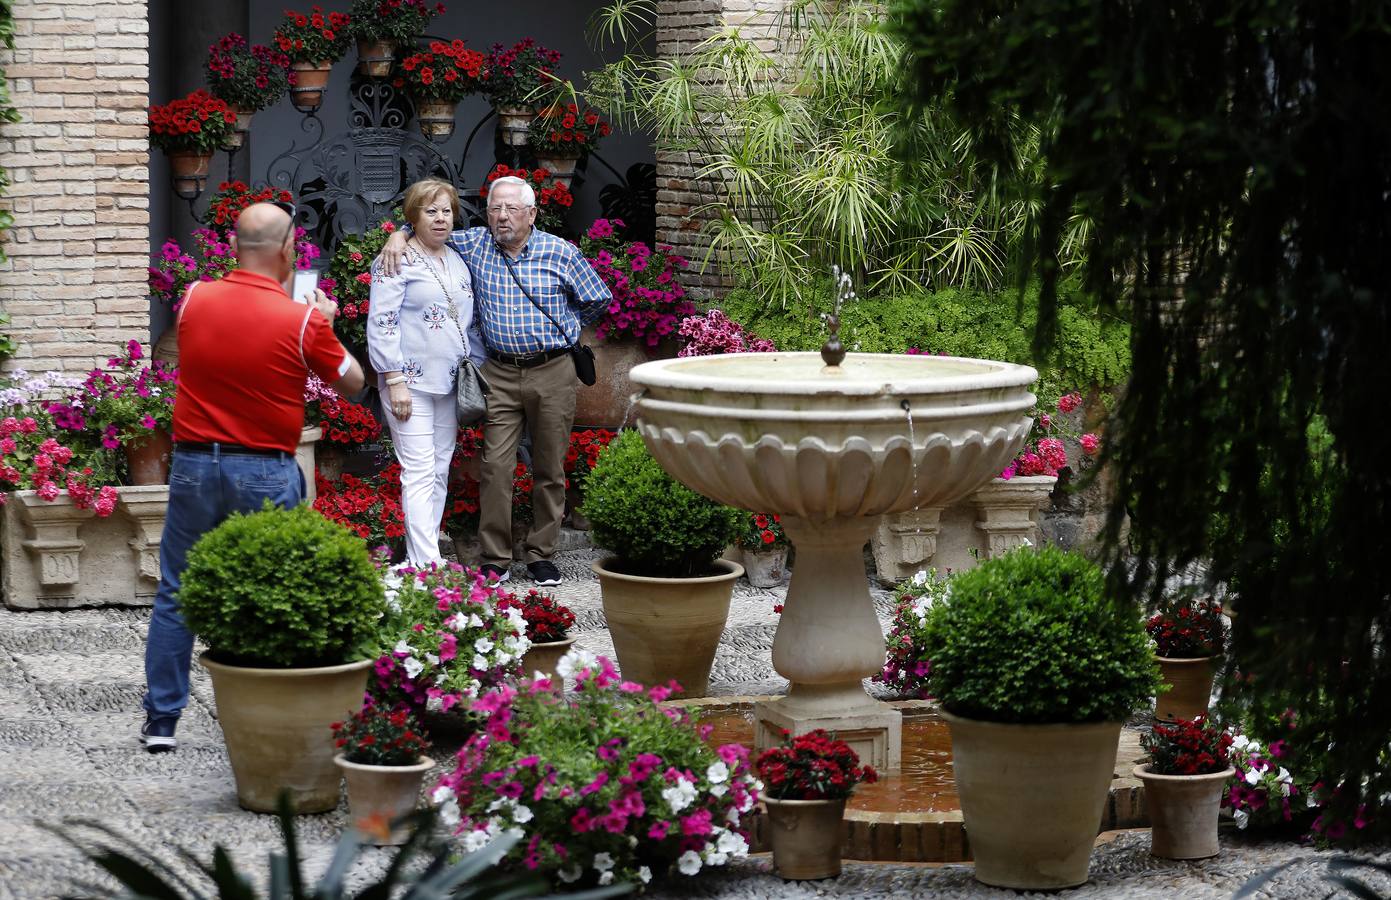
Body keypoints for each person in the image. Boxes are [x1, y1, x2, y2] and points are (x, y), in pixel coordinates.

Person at [140, 202, 364, 753]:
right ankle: (270, 717)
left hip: (193, 464)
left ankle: (161, 724)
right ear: (289, 250)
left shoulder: (193, 298)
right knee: (274, 586)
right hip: (263, 468)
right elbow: (354, 383)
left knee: (175, 590)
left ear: (237, 247)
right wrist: (326, 324)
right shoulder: (304, 319)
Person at [380, 175, 610, 586]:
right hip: (498, 372)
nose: (501, 217)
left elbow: (598, 298)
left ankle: (542, 554)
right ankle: (495, 558)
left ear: (532, 213)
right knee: (495, 466)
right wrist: (397, 235)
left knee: (549, 465)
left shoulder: (560, 252)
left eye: (511, 209)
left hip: (553, 369)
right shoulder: (473, 244)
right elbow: (429, 225)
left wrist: (567, 331)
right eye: (494, 209)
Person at [367, 178, 484, 568]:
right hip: (408, 383)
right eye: (430, 211)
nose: (440, 219)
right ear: (413, 217)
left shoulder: (456, 257)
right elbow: (382, 322)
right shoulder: (395, 260)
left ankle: (423, 557)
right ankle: (429, 566)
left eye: (446, 211)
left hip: (450, 384)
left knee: (438, 470)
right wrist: (393, 379)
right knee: (417, 470)